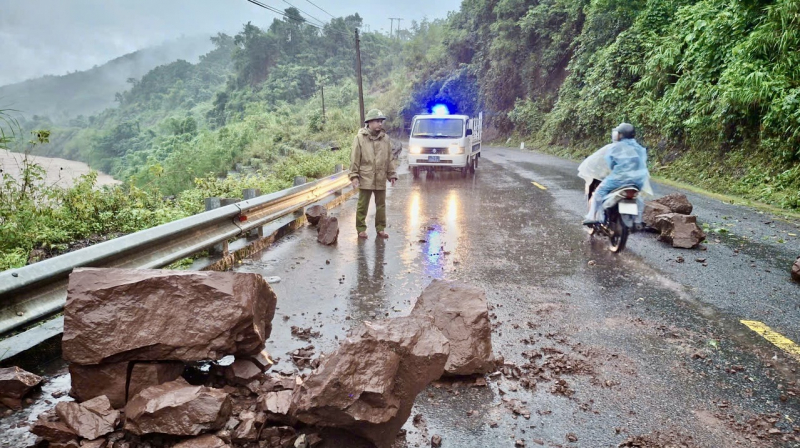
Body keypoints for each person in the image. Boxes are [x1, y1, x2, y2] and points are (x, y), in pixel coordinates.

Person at [583, 123, 652, 225]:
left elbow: (610, 163)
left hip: (619, 179)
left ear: (621, 135)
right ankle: (638, 220)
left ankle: (593, 217)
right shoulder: (639, 148)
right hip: (638, 180)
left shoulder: (616, 147)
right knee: (639, 197)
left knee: (599, 193)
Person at [350, 109, 398, 239]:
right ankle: (361, 229)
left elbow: (389, 158)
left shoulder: (385, 139)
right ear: (369, 122)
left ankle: (380, 228)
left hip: (381, 176)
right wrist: (354, 176)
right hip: (366, 176)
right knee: (363, 205)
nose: (380, 124)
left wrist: (392, 174)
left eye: (381, 121)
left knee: (381, 205)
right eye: (377, 121)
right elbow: (355, 158)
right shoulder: (360, 138)